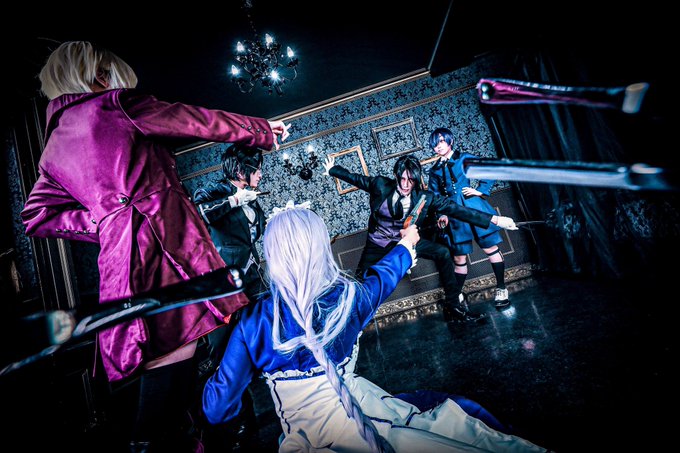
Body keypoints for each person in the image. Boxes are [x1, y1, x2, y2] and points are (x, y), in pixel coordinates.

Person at [20, 41, 291, 452]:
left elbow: (36, 215)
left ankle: (177, 439)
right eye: (108, 73)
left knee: (153, 356)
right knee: (173, 358)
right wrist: (261, 130)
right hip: (162, 247)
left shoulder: (54, 145)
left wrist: (106, 219)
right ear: (97, 75)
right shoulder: (114, 105)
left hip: (118, 262)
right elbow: (194, 120)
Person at [203, 202, 545, 452]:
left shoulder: (253, 322)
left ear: (273, 256)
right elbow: (384, 276)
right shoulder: (349, 298)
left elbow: (217, 409)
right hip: (366, 411)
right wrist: (407, 244)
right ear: (320, 249)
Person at [322, 154, 518, 324]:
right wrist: (332, 170)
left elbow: (457, 210)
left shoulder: (425, 197)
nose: (405, 185)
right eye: (402, 179)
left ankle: (453, 307)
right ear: (396, 175)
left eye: (411, 180)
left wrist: (496, 219)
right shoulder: (380, 185)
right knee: (359, 282)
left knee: (442, 253)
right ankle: (347, 323)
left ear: (416, 179)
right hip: (378, 243)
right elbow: (355, 178)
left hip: (407, 242)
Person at [192, 144, 268, 450]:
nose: (260, 174)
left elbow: (252, 235)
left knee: (265, 331)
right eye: (256, 169)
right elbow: (202, 213)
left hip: (253, 278)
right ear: (240, 170)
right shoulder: (212, 191)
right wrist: (235, 199)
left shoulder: (253, 197)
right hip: (223, 285)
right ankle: (235, 420)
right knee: (223, 352)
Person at [427, 127, 511, 309]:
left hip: (473, 207)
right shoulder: (434, 170)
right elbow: (434, 196)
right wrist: (442, 213)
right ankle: (456, 297)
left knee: (491, 249)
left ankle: (502, 289)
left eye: (441, 141)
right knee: (459, 259)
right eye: (435, 144)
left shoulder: (464, 158)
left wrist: (480, 191)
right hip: (453, 214)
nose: (438, 146)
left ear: (450, 141)